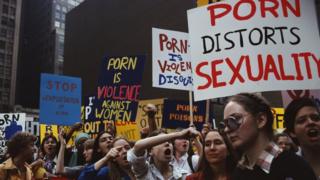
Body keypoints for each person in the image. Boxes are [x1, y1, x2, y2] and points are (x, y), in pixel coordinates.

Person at [223, 93, 317, 180]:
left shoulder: (295, 167)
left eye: (234, 119)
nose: (226, 129)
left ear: (261, 120)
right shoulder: (238, 173)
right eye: (225, 124)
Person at [128, 127, 200, 179]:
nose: (167, 143)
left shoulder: (184, 176)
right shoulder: (144, 172)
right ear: (150, 151)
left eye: (169, 141)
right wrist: (179, 134)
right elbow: (138, 146)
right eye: (161, 142)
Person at [284, 97, 320, 178]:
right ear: (292, 132)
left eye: (316, 118)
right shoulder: (287, 167)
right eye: (302, 120)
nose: (311, 122)